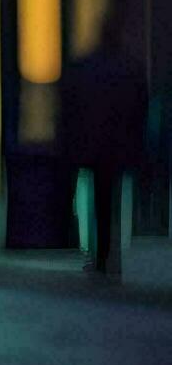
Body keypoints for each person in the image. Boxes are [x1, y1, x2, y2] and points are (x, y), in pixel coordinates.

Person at [61, 16, 149, 275]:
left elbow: (71, 107)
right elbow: (139, 108)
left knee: (96, 200)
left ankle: (97, 254)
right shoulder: (129, 68)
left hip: (92, 145)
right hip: (118, 146)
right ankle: (111, 255)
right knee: (113, 200)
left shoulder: (85, 67)